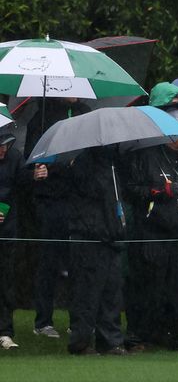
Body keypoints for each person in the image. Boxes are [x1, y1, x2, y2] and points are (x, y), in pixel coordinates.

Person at [127, 114, 178, 352]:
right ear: (168, 133)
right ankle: (140, 337)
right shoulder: (147, 157)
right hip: (154, 232)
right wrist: (159, 191)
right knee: (150, 287)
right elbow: (132, 191)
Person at [24, 95, 87, 340]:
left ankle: (78, 320)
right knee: (48, 262)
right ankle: (43, 321)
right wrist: (46, 170)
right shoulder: (40, 118)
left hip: (78, 199)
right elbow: (34, 161)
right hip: (49, 201)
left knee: (78, 263)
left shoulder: (85, 112)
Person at [64, 145, 130, 356]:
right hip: (90, 238)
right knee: (87, 293)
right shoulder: (84, 164)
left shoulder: (113, 164)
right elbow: (86, 201)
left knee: (111, 293)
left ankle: (110, 341)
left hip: (112, 237)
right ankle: (81, 342)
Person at [0, 132, 22, 350]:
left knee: (6, 282)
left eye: (6, 145)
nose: (4, 150)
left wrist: (38, 173)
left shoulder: (15, 158)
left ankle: (5, 332)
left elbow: (24, 187)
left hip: (7, 230)